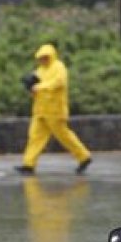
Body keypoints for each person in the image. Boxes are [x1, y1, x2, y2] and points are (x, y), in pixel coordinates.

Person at [15, 44, 92, 175]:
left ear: (51, 56)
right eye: (41, 58)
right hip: (40, 110)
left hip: (55, 111)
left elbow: (59, 82)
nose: (43, 60)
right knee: (35, 137)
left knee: (64, 136)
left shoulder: (58, 67)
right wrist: (30, 87)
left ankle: (84, 157)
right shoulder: (40, 70)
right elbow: (36, 89)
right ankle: (28, 165)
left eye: (45, 57)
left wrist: (39, 87)